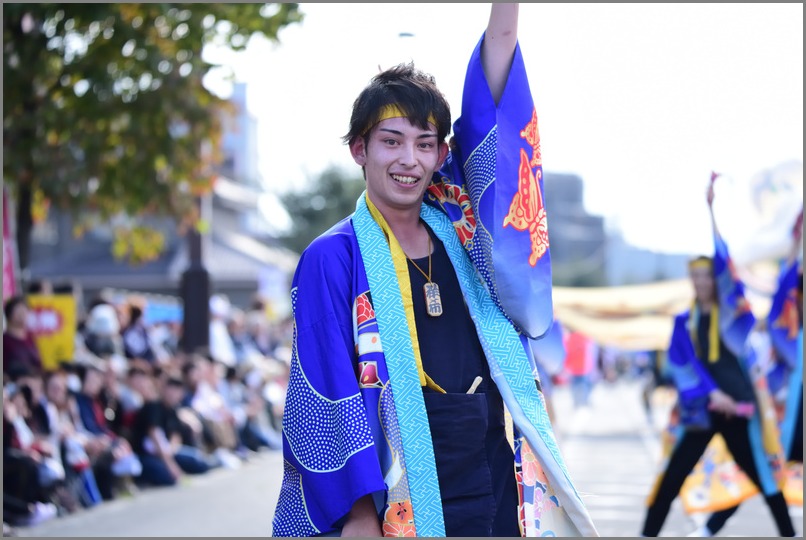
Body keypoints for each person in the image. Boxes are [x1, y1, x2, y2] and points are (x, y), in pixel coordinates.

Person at [271, 4, 597, 537]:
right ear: (360, 149)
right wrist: (357, 518)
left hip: (490, 462)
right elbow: (326, 387)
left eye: (425, 144)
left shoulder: (462, 224)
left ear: (443, 153)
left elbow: (496, 103)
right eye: (391, 141)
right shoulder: (333, 256)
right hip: (399, 475)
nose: (409, 160)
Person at [640, 175, 796, 537]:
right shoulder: (684, 323)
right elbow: (681, 366)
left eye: (706, 277)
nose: (701, 282)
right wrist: (714, 395)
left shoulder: (734, 319)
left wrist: (712, 211)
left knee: (765, 480)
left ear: (716, 281)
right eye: (695, 277)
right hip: (703, 410)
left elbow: (727, 264)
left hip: (738, 410)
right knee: (670, 480)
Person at [687, 209, 803, 537]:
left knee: (762, 474)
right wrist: (797, 241)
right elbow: (787, 283)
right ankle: (712, 527)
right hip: (783, 417)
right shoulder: (788, 333)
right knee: (759, 472)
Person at [3, 296, 44, 380]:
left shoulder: (31, 337)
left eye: (25, 311)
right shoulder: (5, 340)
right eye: (19, 311)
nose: (23, 315)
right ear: (9, 314)